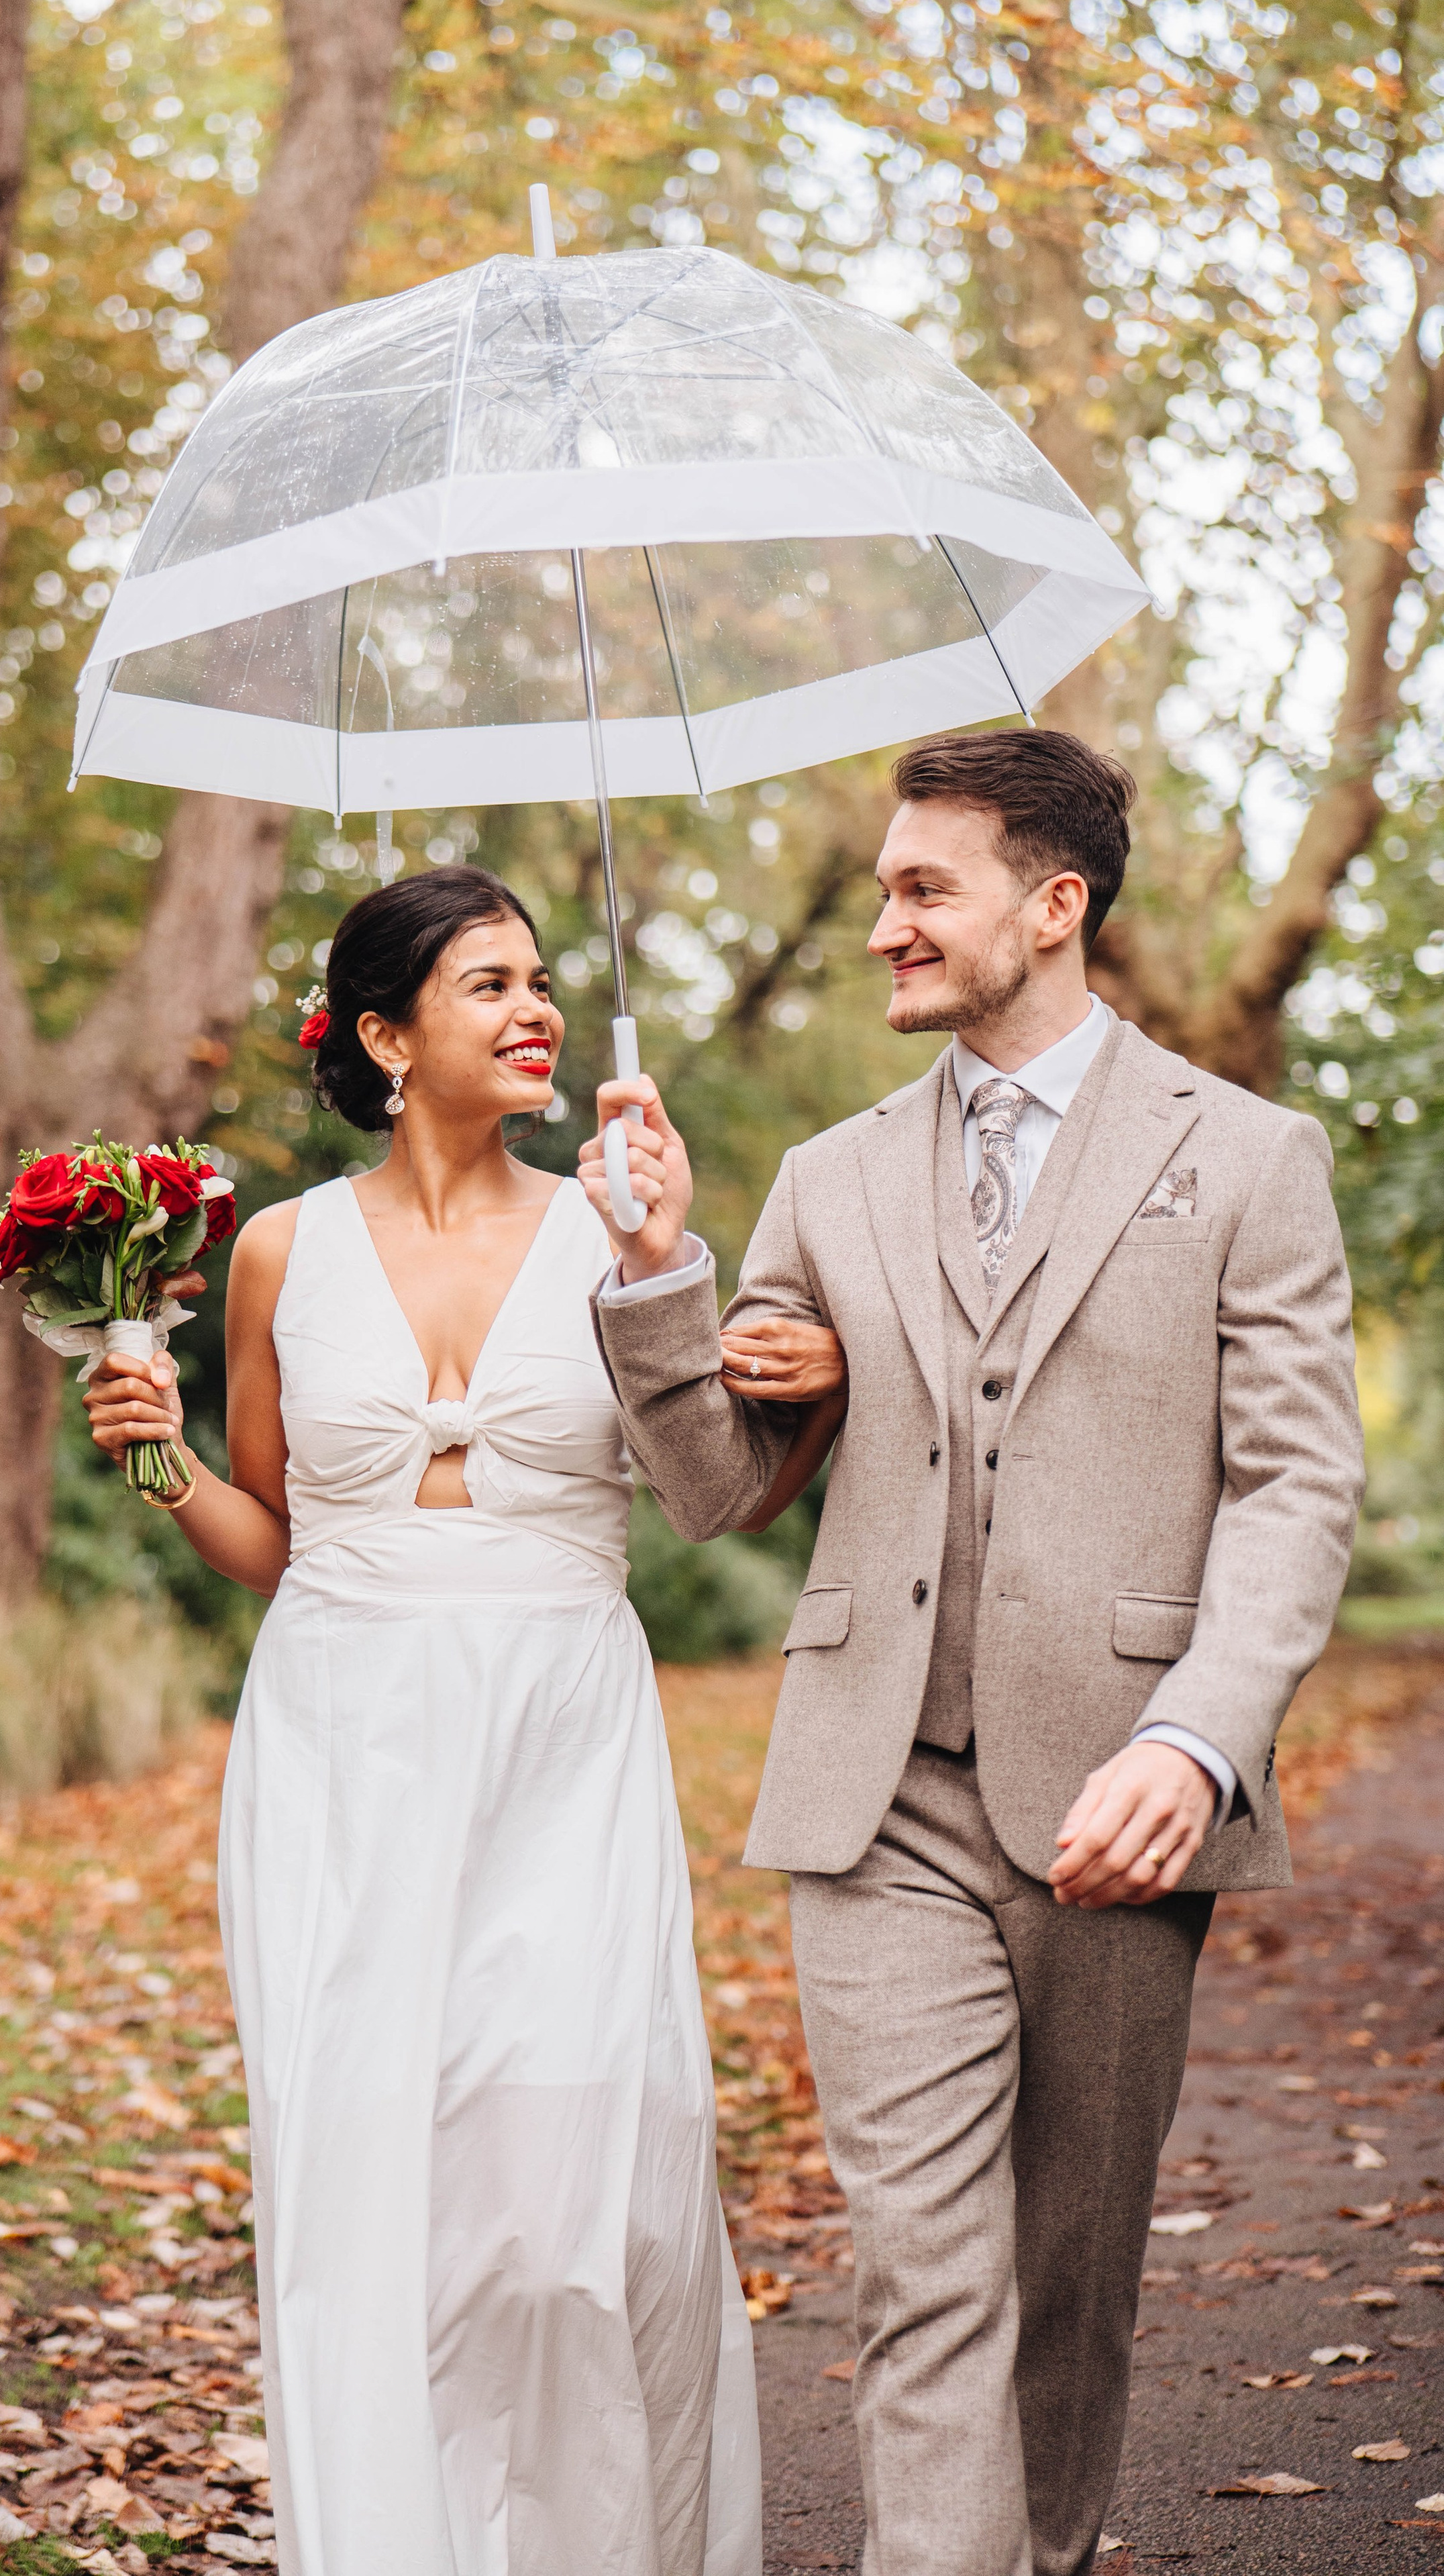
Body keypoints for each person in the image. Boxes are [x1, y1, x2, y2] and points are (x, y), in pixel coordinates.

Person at [579, 730, 1364, 2576]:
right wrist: (657, 1283)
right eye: (880, 892)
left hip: (1119, 1796)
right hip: (879, 1799)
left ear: (1054, 905)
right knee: (926, 2277)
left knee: (1064, 2286)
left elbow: (1296, 1488)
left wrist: (1197, 1742)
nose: (881, 928)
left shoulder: (1248, 1157)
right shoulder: (831, 1179)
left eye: (923, 889)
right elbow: (715, 1495)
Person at [82, 864, 762, 2576]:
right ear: (384, 1034)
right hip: (340, 1738)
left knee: (575, 2214)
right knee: (367, 2206)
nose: (534, 1009)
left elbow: (707, 1493)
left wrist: (665, 1260)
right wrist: (154, 1453)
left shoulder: (621, 1230)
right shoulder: (277, 1251)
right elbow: (275, 1537)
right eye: (486, 985)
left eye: (538, 980)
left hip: (559, 1734)